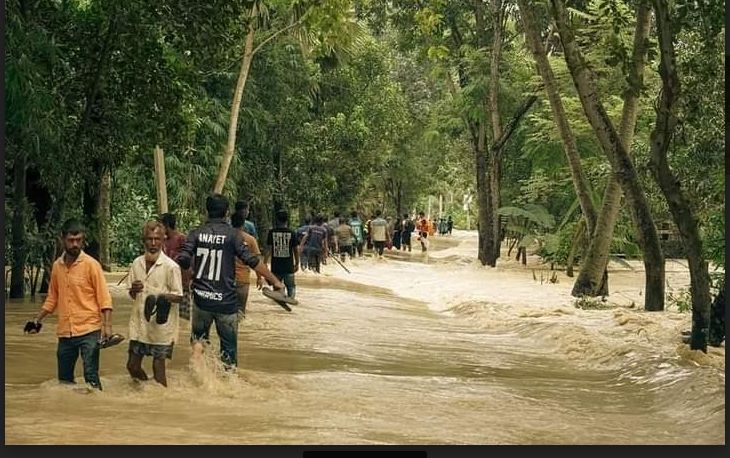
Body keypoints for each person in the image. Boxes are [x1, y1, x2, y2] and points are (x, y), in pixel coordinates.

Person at [177, 194, 286, 370]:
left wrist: (188, 276)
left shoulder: (196, 234)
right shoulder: (233, 236)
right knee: (228, 351)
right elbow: (251, 260)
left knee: (198, 340)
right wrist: (275, 281)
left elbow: (183, 258)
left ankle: (197, 371)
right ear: (227, 212)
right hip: (226, 302)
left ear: (207, 211)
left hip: (201, 299)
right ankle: (228, 385)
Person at [24, 218, 120, 390]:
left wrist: (107, 326)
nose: (75, 244)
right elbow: (52, 298)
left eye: (78, 240)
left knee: (91, 378)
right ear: (63, 239)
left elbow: (104, 298)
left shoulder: (92, 265)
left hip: (89, 329)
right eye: (71, 240)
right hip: (65, 332)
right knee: (64, 380)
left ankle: (94, 411)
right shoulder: (57, 267)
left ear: (83, 240)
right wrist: (37, 320)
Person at [126, 220, 184, 387]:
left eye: (157, 239)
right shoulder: (137, 263)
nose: (153, 243)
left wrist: (163, 298)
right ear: (143, 240)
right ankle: (144, 391)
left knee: (158, 368)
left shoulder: (171, 267)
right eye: (149, 239)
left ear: (163, 240)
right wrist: (134, 290)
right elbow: (130, 293)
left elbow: (179, 296)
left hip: (162, 326)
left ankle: (161, 401)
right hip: (140, 323)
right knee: (132, 366)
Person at [231, 212, 263, 319]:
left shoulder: (224, 237)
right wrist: (259, 278)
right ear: (243, 224)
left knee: (223, 313)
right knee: (240, 312)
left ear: (231, 222)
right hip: (243, 280)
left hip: (225, 279)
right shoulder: (250, 239)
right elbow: (257, 261)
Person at [265, 210, 300, 301]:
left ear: (276, 220)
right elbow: (295, 250)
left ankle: (279, 305)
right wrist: (297, 263)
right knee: (291, 287)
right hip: (289, 267)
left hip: (276, 267)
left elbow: (268, 250)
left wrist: (264, 263)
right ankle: (290, 301)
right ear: (287, 220)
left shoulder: (272, 233)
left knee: (277, 288)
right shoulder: (292, 233)